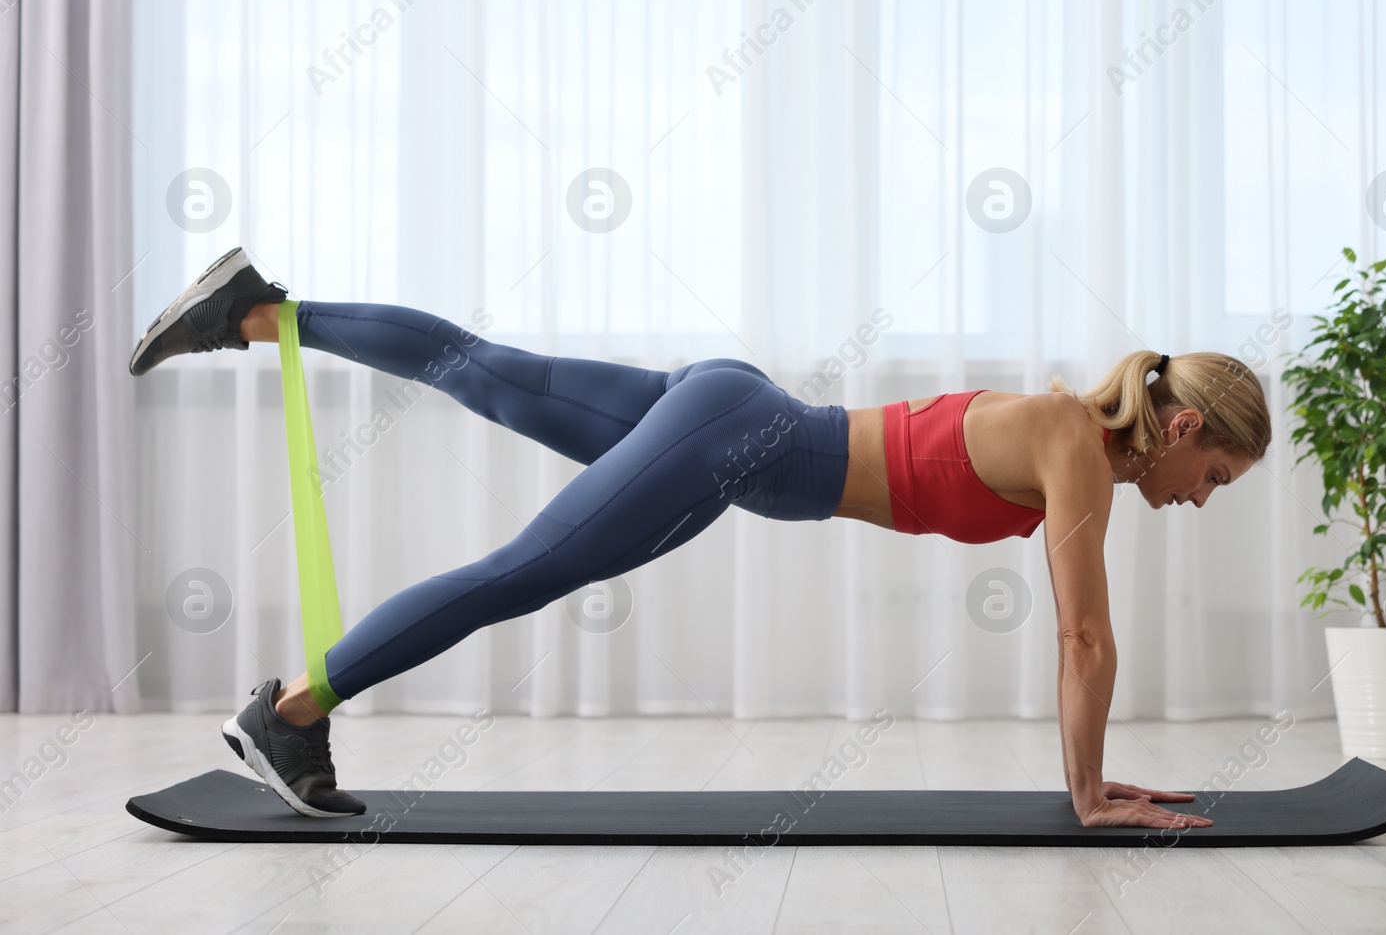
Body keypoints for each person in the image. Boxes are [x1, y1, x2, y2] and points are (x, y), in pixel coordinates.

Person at [129, 248, 1270, 827]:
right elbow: (1082, 637)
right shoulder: (1075, 436)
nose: (1202, 494)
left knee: (480, 368)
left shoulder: (1070, 432)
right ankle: (286, 715)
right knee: (516, 575)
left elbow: (1077, 634)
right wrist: (1085, 791)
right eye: (1212, 471)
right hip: (744, 442)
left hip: (736, 408)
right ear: (1178, 425)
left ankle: (256, 311)